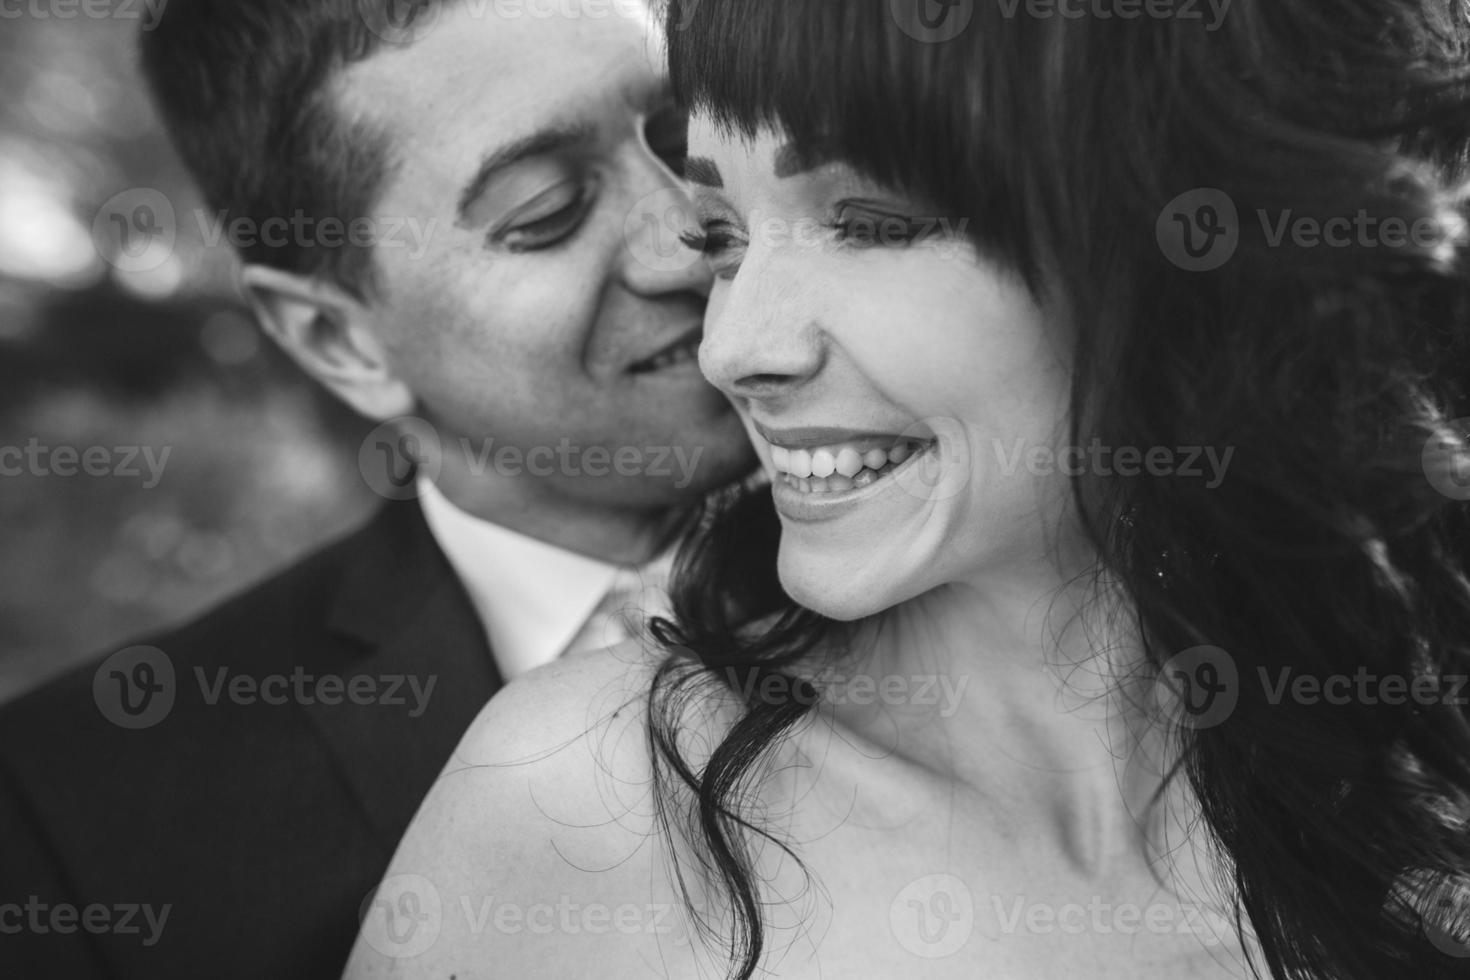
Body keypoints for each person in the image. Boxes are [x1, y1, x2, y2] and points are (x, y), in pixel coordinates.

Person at [346, 1, 1470, 978]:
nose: (734, 345)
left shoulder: (1417, 777)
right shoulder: (577, 804)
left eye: (871, 224)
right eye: (725, 233)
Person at [0, 0, 752, 976]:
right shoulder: (73, 813)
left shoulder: (983, 556)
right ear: (338, 339)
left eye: (684, 139)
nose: (685, 234)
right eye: (547, 210)